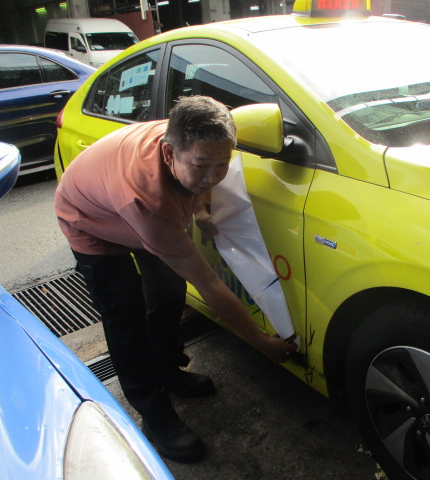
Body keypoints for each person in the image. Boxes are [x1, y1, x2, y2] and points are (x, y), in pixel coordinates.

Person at [54, 96, 296, 463]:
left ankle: (167, 368)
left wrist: (200, 207)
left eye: (223, 164)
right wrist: (262, 343)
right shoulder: (150, 205)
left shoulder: (190, 138)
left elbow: (200, 175)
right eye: (202, 165)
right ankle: (154, 414)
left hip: (123, 196)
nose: (213, 176)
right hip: (89, 220)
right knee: (126, 317)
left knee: (169, 290)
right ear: (170, 153)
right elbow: (210, 284)